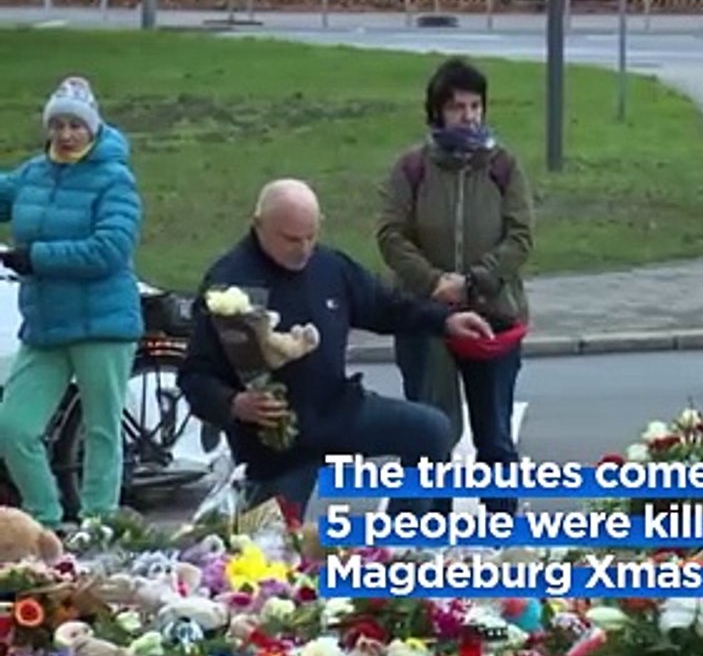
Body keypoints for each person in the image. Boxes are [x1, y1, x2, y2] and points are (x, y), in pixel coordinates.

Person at [177, 179, 496, 519]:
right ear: (259, 225)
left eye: (311, 236)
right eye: (291, 239)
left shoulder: (329, 267)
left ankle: (398, 541)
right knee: (267, 546)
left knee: (430, 430)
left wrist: (445, 321)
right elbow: (194, 377)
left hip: (337, 408)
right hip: (276, 443)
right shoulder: (227, 283)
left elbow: (386, 305)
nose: (303, 248)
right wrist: (234, 404)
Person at [376, 58, 533, 518]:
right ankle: (425, 544)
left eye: (475, 105)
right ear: (437, 112)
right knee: (430, 432)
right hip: (426, 319)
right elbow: (391, 235)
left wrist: (476, 280)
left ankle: (502, 538)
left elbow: (520, 235)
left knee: (495, 439)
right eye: (457, 107)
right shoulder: (412, 167)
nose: (468, 115)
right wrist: (432, 282)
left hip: (494, 316)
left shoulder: (503, 165)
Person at [0, 76, 143, 530]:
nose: (65, 135)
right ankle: (44, 518)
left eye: (75, 125)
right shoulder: (34, 172)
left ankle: (97, 525)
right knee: (13, 426)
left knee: (101, 431)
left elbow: (109, 249)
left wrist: (36, 258)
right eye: (57, 125)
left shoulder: (115, 179)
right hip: (46, 325)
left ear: (92, 128)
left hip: (103, 321)